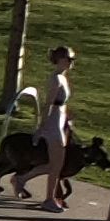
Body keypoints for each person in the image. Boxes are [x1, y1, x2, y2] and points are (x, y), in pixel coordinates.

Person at [39, 43, 80, 210]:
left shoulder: (62, 77)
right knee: (56, 164)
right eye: (68, 59)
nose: (71, 63)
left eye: (72, 59)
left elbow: (61, 104)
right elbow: (49, 104)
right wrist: (42, 126)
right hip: (53, 123)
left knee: (57, 164)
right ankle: (49, 198)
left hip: (60, 121)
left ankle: (49, 195)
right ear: (60, 60)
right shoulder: (55, 79)